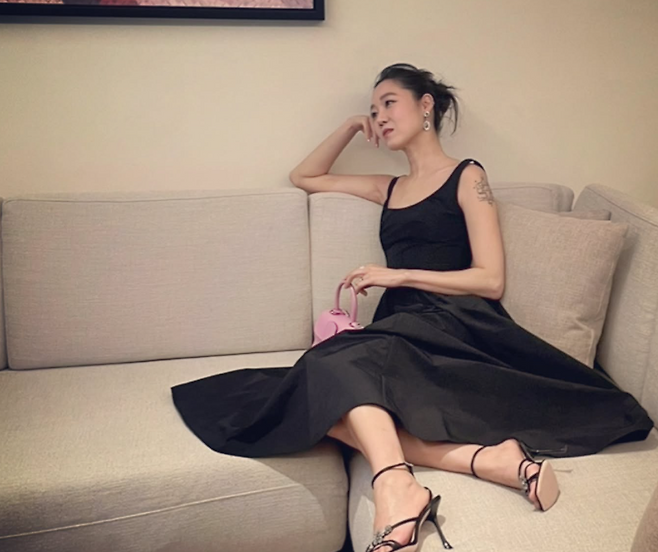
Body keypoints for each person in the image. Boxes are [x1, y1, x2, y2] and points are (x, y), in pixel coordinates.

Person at [172, 63, 653, 552]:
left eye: (389, 103)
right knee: (320, 384)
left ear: (425, 106)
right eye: (373, 109)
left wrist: (398, 275)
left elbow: (490, 279)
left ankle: (396, 488)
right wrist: (350, 126)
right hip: (398, 326)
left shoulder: (467, 175)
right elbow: (305, 177)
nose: (379, 116)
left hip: (453, 323)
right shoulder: (390, 187)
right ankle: (485, 461)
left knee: (329, 371)